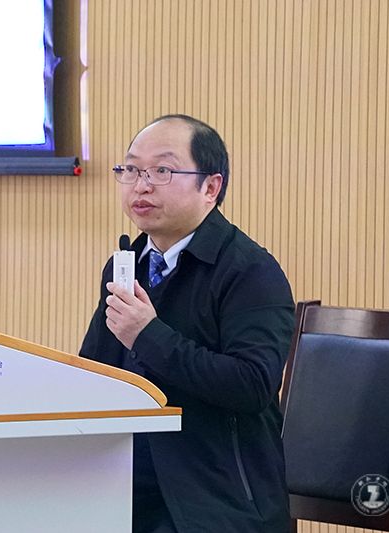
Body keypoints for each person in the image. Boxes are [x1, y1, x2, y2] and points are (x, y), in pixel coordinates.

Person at [80, 114, 295, 532]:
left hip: (215, 500)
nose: (141, 185)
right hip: (124, 486)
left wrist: (148, 335)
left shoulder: (250, 271)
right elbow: (95, 371)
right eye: (131, 169)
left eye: (162, 170)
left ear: (210, 187)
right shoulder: (126, 266)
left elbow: (252, 385)